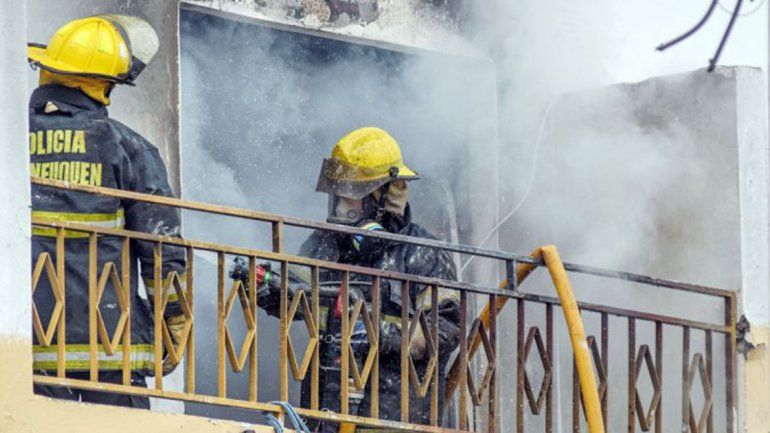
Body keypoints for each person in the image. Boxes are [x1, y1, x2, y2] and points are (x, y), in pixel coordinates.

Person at [232, 127, 460, 430]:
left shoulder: (422, 253)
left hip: (392, 419)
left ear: (384, 197)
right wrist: (265, 285)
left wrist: (380, 334)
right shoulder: (325, 244)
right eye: (338, 196)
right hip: (326, 415)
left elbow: (446, 328)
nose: (341, 206)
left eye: (351, 196)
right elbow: (297, 299)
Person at [28, 15, 188, 408]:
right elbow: (161, 247)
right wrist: (173, 321)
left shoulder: (11, 140)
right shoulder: (128, 149)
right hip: (111, 347)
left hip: (30, 346)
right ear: (103, 85)